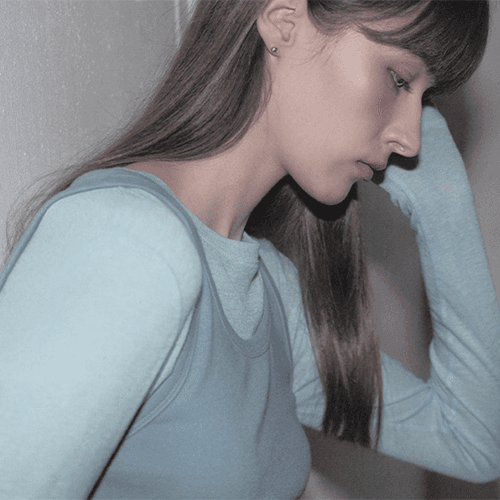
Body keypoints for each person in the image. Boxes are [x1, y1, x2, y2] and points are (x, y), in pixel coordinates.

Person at [0, 0, 498, 498]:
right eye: (398, 79)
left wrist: (444, 202)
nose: (410, 140)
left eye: (424, 98)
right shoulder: (129, 245)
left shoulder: (266, 292)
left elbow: (472, 443)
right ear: (285, 23)